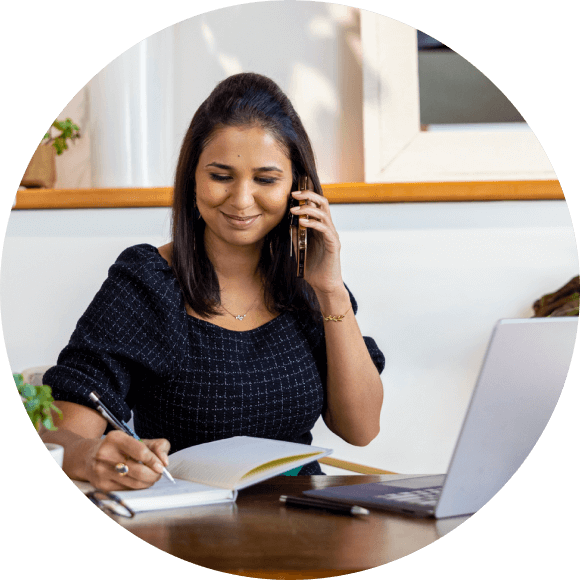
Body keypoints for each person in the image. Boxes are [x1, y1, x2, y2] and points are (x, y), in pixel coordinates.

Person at [40, 72, 385, 492]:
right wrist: (91, 455)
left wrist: (330, 290)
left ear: (300, 187)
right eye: (221, 176)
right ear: (193, 179)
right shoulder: (147, 281)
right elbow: (63, 433)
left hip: (305, 520)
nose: (241, 200)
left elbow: (361, 428)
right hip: (189, 525)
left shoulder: (309, 286)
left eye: (266, 179)